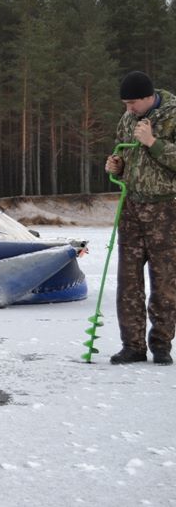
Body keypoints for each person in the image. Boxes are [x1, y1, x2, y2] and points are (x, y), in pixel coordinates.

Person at [104, 70, 176, 366]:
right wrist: (116, 166)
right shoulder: (127, 120)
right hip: (131, 207)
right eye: (125, 104)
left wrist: (152, 142)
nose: (129, 109)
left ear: (149, 97)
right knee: (128, 281)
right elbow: (124, 155)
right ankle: (132, 345)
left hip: (165, 210)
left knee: (165, 280)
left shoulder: (172, 117)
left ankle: (161, 344)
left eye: (133, 103)